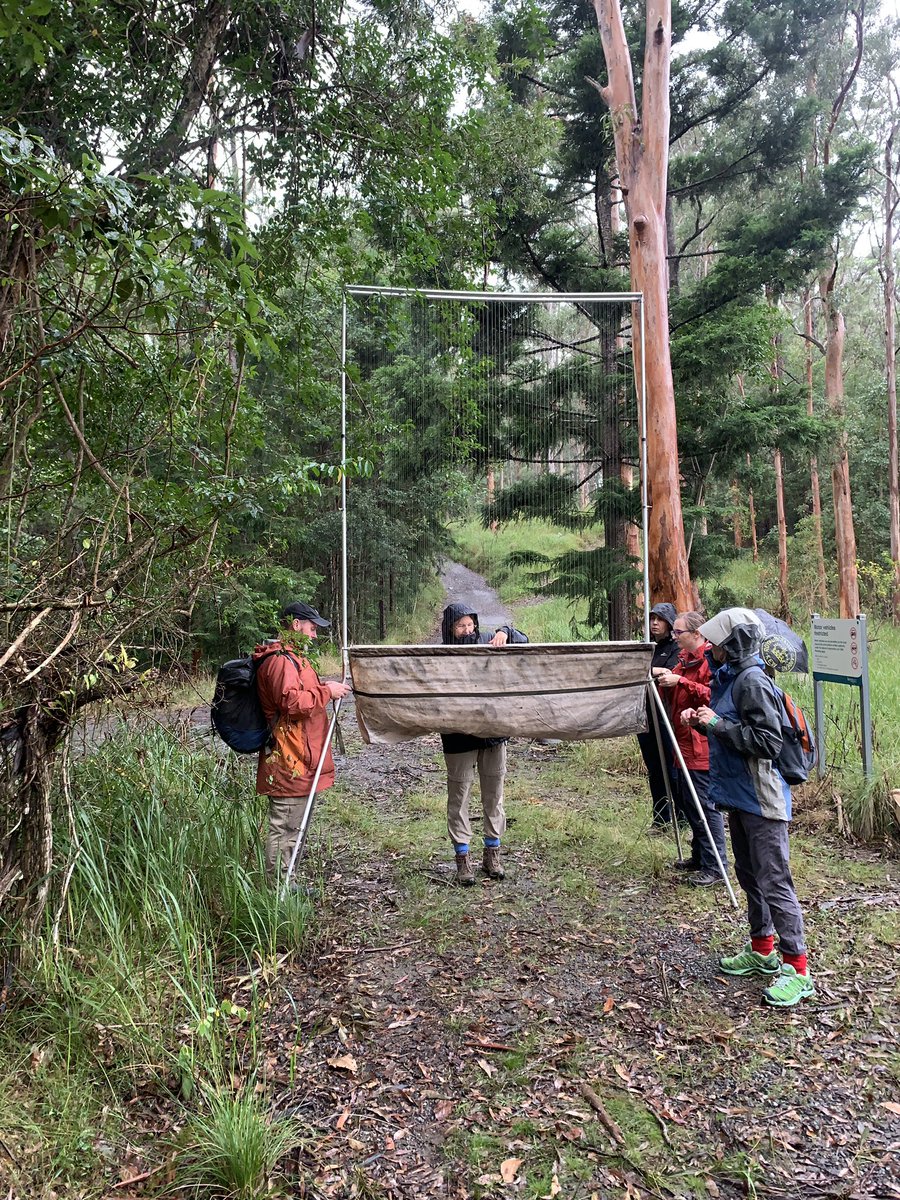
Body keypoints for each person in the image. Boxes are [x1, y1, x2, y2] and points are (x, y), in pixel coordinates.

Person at [682, 607, 814, 1008]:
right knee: (749, 874)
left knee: (775, 880)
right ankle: (762, 950)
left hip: (762, 798)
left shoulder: (752, 680)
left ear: (732, 644)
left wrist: (716, 726)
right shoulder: (729, 677)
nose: (710, 648)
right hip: (739, 794)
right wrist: (705, 720)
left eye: (717, 643)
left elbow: (767, 743)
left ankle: (798, 968)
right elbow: (729, 726)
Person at [254, 601, 352, 884]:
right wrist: (327, 691)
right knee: (284, 826)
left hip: (301, 758)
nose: (314, 635)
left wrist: (324, 690)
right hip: (287, 760)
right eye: (311, 628)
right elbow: (293, 702)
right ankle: (276, 893)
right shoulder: (280, 661)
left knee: (295, 827)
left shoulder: (295, 658)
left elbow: (303, 695)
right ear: (295, 625)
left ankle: (289, 883)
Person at [440, 603, 528, 886]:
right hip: (458, 736)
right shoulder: (439, 655)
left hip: (493, 733)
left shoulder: (487, 640)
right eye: (460, 626)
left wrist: (505, 631)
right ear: (450, 629)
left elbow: (523, 640)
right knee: (459, 796)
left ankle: (492, 852)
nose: (467, 631)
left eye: (470, 625)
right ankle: (462, 859)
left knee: (494, 794)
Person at [655, 611, 728, 887]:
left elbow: (714, 696)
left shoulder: (711, 662)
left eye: (678, 632)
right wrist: (667, 679)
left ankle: (716, 865)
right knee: (688, 803)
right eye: (673, 632)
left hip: (701, 747)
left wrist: (682, 683)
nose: (674, 636)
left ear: (697, 634)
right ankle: (699, 857)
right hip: (681, 743)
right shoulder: (684, 659)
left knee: (704, 807)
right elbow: (675, 688)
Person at [638, 602, 680, 830]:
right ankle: (661, 817)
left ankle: (682, 817)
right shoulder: (649, 647)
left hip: (667, 717)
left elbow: (672, 673)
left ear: (669, 622)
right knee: (654, 768)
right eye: (652, 618)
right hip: (646, 715)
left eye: (660, 619)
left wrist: (648, 670)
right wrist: (652, 670)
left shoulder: (676, 648)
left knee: (672, 769)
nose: (654, 622)